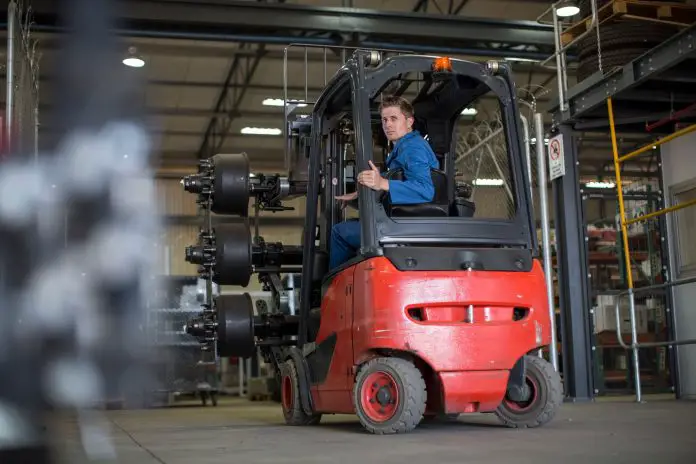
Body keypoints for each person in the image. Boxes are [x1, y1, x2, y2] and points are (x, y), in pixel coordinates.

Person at [329, 95, 439, 270]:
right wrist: (359, 194)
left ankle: (333, 290)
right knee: (352, 225)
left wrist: (381, 183)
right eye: (384, 120)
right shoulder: (403, 147)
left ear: (409, 121)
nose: (388, 125)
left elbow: (425, 190)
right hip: (401, 222)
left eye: (394, 119)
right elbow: (399, 179)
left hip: (402, 227)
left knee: (339, 232)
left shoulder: (413, 148)